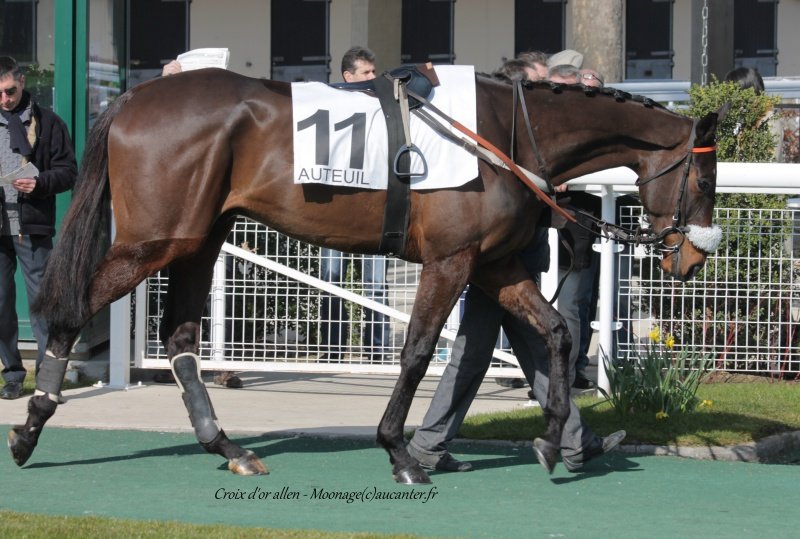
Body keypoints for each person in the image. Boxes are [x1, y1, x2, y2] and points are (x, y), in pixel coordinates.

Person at [406, 231, 625, 472]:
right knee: (473, 359)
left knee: (533, 357)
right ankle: (427, 442)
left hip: (510, 270)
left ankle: (576, 441)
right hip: (505, 274)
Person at [153, 58, 243, 389]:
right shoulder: (171, 121)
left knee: (223, 295)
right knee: (180, 294)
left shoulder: (218, 119)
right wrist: (164, 83)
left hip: (217, 218)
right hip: (184, 220)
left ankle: (222, 363)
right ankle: (178, 361)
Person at [0, 56, 77, 400]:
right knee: (1, 304)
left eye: (10, 91)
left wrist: (40, 182)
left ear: (22, 81)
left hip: (32, 226)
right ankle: (12, 374)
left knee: (42, 305)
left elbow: (69, 171)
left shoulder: (48, 122)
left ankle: (47, 380)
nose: (5, 99)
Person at [319, 46, 390, 363]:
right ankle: (332, 352)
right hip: (334, 211)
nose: (373, 77)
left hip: (374, 210)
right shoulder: (327, 106)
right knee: (330, 281)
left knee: (375, 285)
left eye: (374, 71)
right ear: (348, 77)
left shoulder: (382, 107)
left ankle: (377, 354)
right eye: (366, 72)